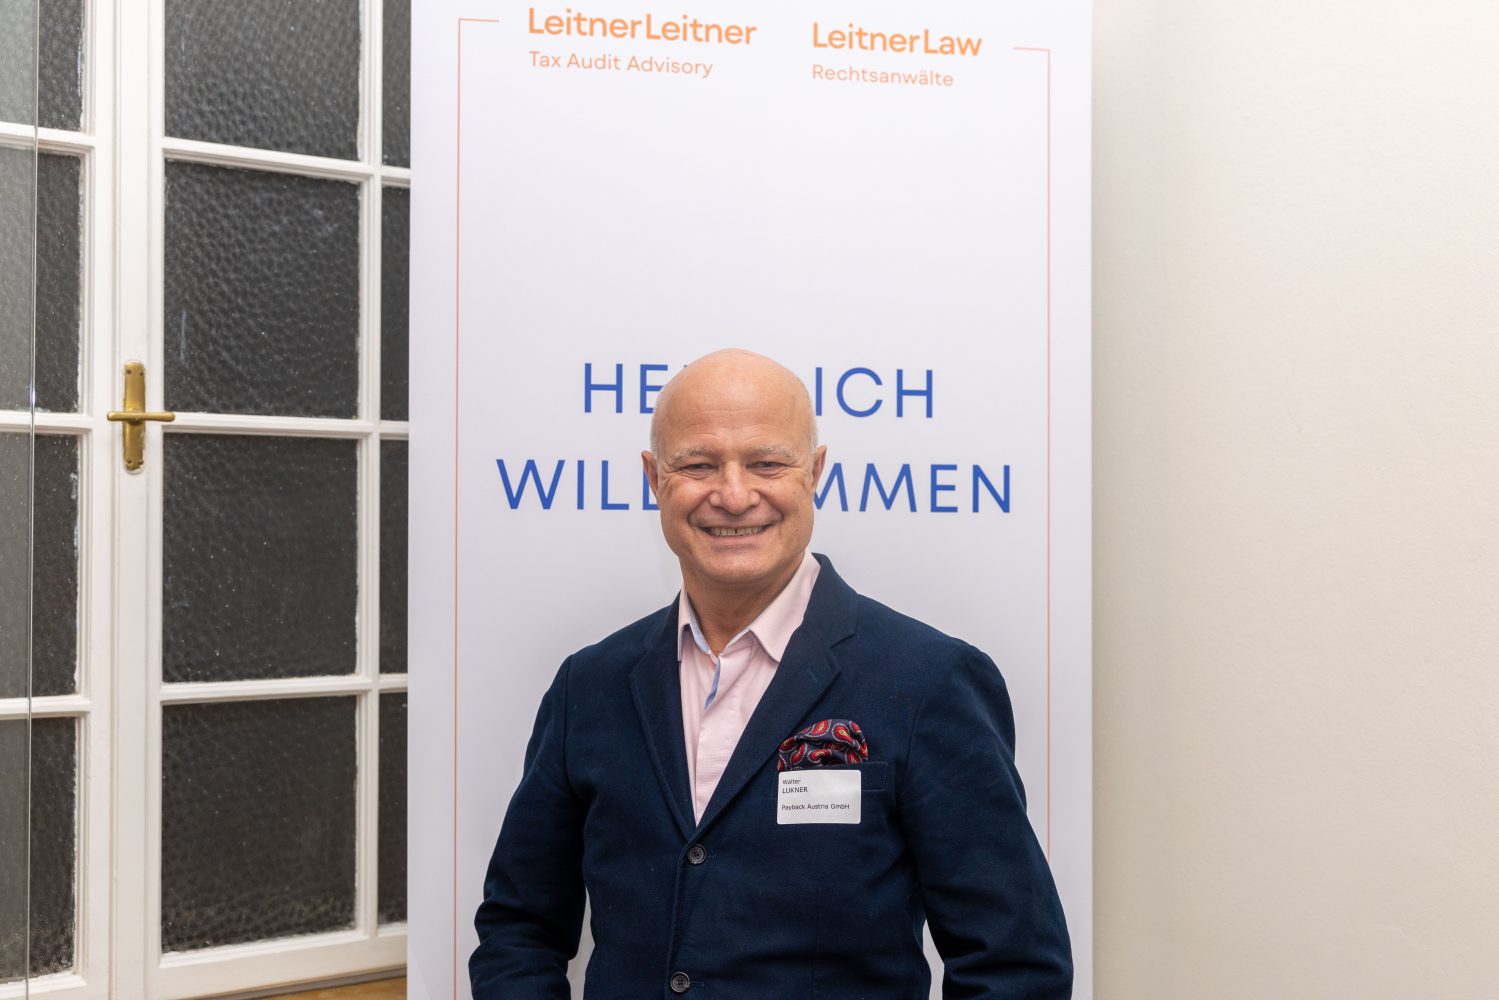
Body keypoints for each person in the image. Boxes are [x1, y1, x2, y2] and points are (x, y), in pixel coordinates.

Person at [471, 349, 1072, 998]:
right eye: (697, 465)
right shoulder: (589, 686)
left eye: (766, 463)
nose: (733, 496)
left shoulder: (928, 681)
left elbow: (1013, 965)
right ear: (654, 478)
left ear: (814, 473)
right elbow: (519, 929)